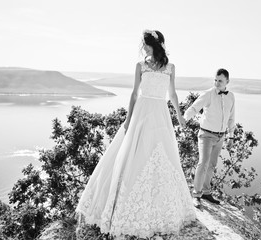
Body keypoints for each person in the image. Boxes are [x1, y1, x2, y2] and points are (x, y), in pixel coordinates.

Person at [76, 29, 196, 239]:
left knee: (162, 155)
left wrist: (179, 116)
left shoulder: (170, 67)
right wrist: (128, 119)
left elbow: (173, 94)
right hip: (142, 112)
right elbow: (134, 93)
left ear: (152, 45)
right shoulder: (140, 66)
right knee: (136, 155)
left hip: (160, 113)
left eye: (145, 44)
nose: (143, 47)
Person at [183, 68, 235, 208]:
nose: (217, 83)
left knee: (212, 165)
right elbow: (194, 108)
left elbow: (231, 118)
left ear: (227, 82)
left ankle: (206, 192)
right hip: (206, 135)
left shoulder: (231, 97)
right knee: (203, 163)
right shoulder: (208, 94)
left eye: (220, 81)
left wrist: (231, 137)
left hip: (221, 136)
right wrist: (184, 119)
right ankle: (196, 194)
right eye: (216, 80)